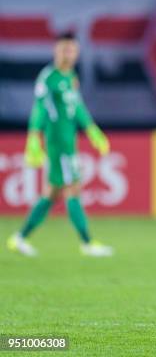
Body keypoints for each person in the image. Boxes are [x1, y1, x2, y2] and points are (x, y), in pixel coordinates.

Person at [7, 32, 114, 257]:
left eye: (73, 50)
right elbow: (39, 109)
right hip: (58, 144)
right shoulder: (48, 78)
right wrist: (34, 137)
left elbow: (78, 107)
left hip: (69, 142)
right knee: (72, 188)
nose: (69, 54)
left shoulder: (70, 77)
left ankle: (19, 238)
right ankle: (87, 242)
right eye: (65, 49)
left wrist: (93, 130)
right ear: (56, 51)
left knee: (52, 193)